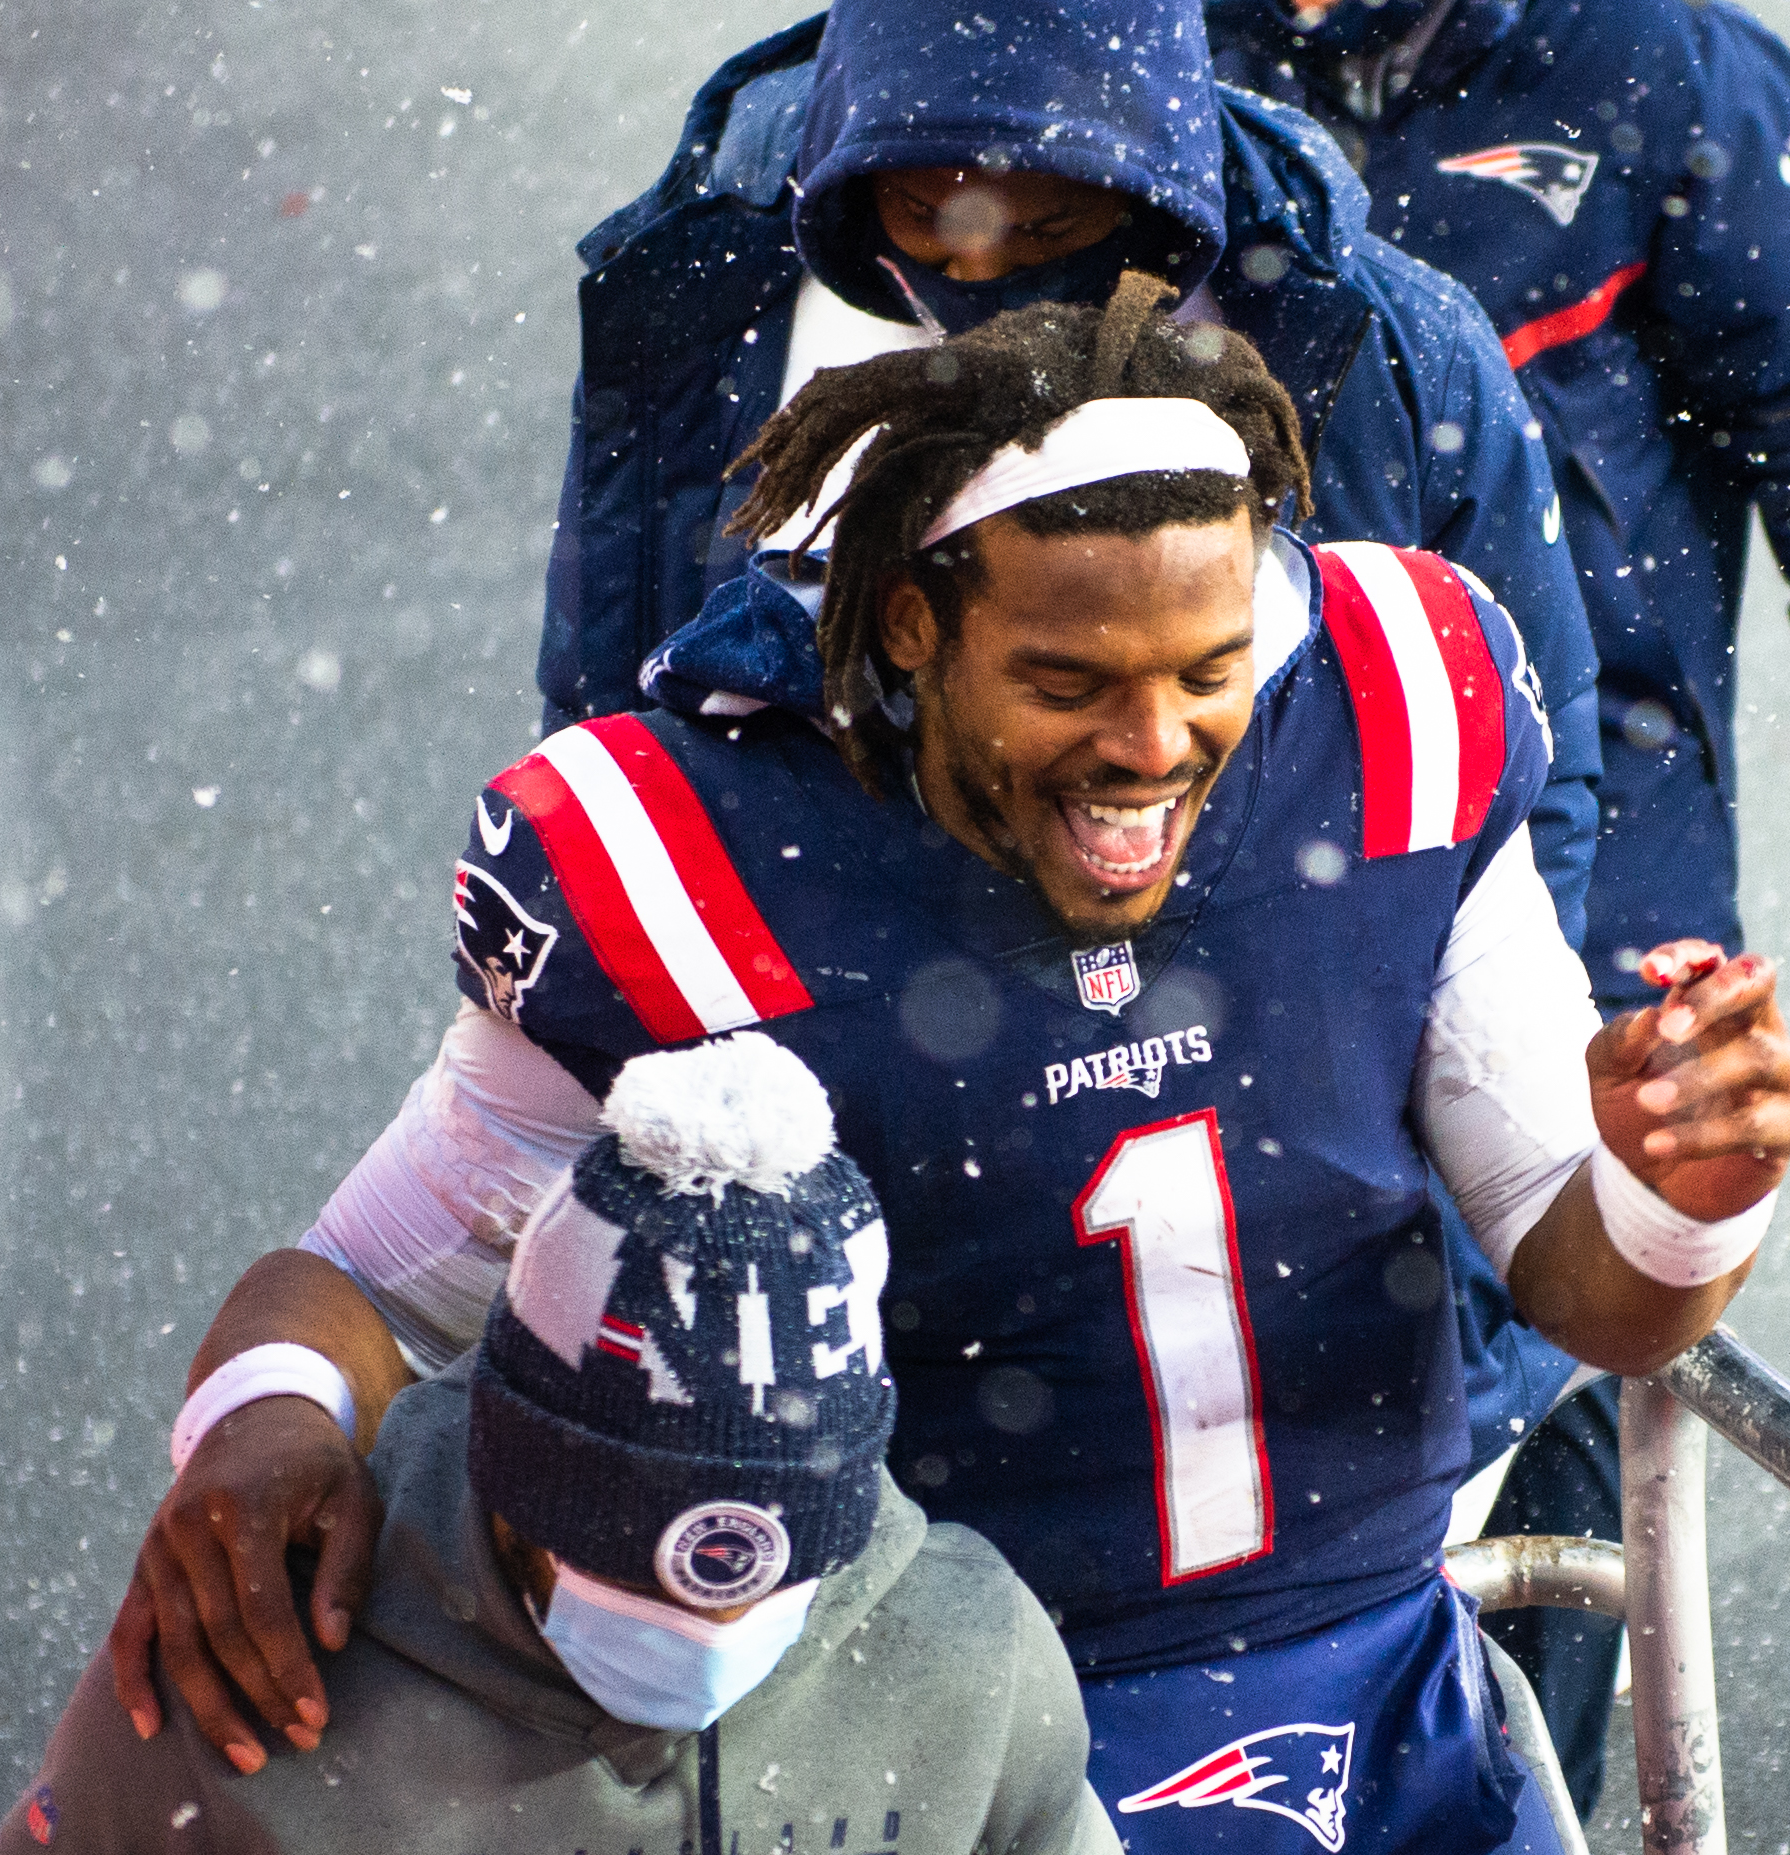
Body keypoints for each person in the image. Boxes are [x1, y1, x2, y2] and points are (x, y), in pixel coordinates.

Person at [111, 281, 1790, 1855]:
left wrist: (1690, 1187)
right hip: (927, 1822)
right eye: (1071, 680)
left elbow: (1585, 1284)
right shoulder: (691, 854)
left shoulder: (1399, 704)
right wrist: (258, 1446)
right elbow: (359, 1283)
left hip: (1372, 1759)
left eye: (1205, 664)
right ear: (911, 629)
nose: (1153, 741)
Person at [549, 0, 1616, 1521]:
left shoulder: (1363, 343)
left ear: (1161, 182)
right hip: (860, 1269)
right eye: (925, 214)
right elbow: (610, 745)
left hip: (1297, 1309)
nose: (978, 261)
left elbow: (1523, 789)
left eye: (1044, 217)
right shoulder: (711, 297)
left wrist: (1442, 1205)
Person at [0, 1037, 1265, 1855]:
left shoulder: (957, 1651)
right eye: (623, 1574)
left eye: (754, 1594)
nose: (701, 1645)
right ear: (503, 1459)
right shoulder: (251, 1647)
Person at [1204, 0, 1790, 1808]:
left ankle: (1508, 1799)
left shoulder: (1656, 62)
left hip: (1596, 798)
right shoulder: (1137, 50)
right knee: (1303, 1228)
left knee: (1555, 1265)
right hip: (1244, 804)